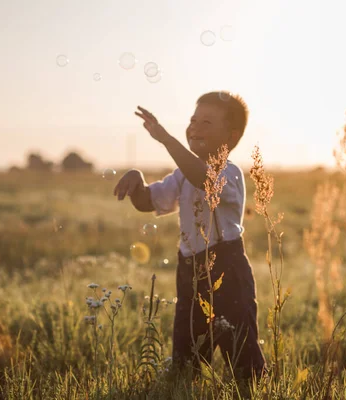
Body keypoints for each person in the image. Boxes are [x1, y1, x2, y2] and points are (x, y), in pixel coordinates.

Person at [113, 91, 265, 380]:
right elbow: (150, 202)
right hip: (190, 270)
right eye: (193, 120)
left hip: (228, 269)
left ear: (231, 138)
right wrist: (136, 181)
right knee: (187, 354)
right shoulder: (182, 175)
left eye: (207, 122)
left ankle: (251, 385)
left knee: (241, 350)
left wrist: (166, 139)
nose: (195, 127)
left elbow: (203, 179)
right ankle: (185, 383)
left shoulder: (229, 172)